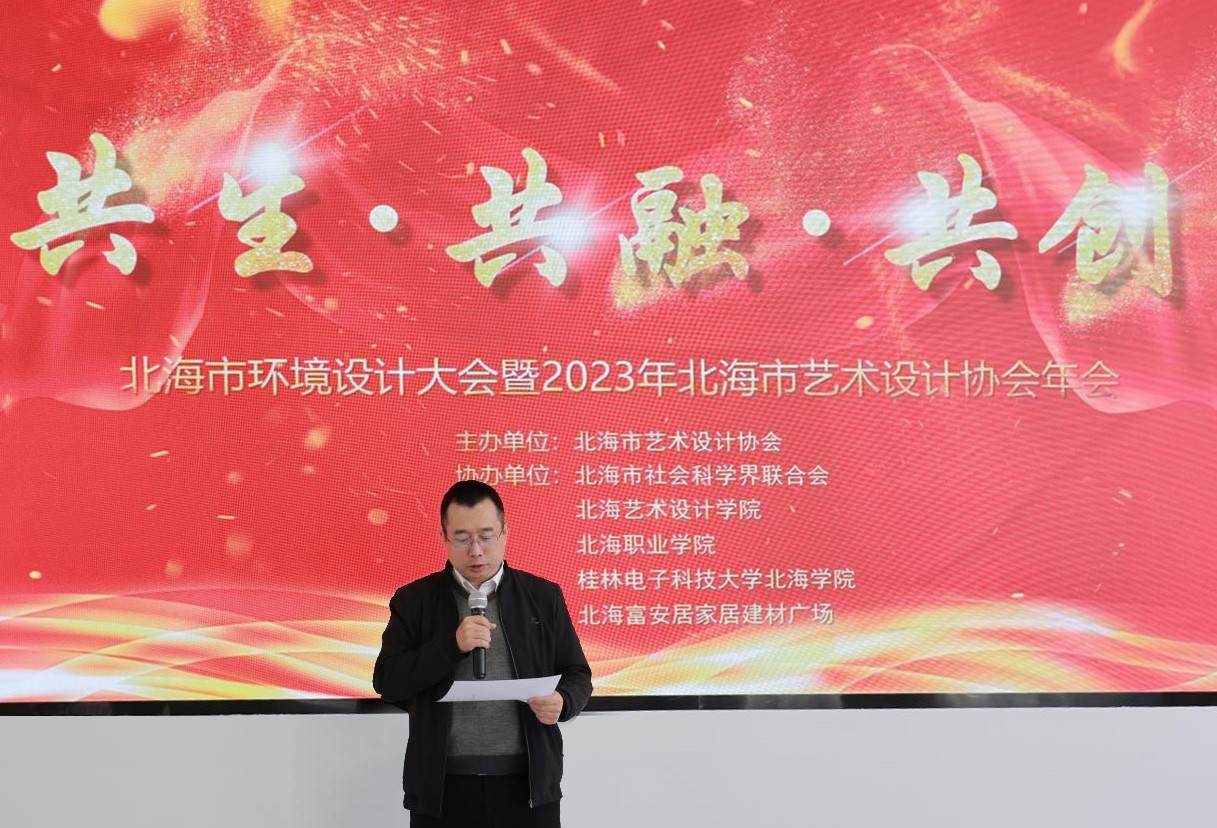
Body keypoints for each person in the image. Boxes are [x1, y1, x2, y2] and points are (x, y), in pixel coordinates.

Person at [373, 480, 593, 827]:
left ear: (505, 533)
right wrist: (451, 645)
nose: (475, 551)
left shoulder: (542, 596)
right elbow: (388, 682)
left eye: (486, 536)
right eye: (462, 538)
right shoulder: (414, 601)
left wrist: (564, 700)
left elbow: (578, 673)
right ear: (444, 538)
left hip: (528, 787)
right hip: (442, 788)